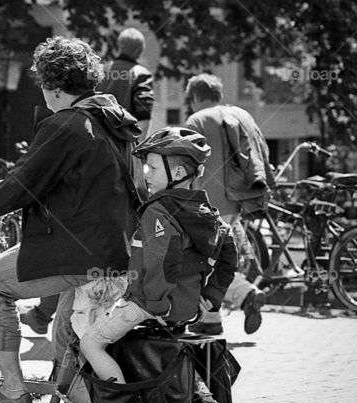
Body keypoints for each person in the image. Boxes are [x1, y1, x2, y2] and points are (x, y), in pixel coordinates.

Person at [0, 35, 141, 403]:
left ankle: (13, 390)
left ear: (52, 85)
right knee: (67, 335)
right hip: (115, 252)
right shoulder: (114, 121)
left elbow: (18, 186)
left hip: (79, 251)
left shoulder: (66, 125)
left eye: (42, 85)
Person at [20, 27, 156, 338]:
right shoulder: (140, 74)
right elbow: (142, 117)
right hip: (117, 155)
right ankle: (63, 333)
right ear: (139, 50)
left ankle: (46, 317)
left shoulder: (103, 72)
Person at [80, 127, 238, 383]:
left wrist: (156, 304)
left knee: (91, 344)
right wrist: (212, 296)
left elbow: (164, 259)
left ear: (177, 173)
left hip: (149, 306)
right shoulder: (209, 213)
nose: (146, 174)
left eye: (152, 168)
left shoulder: (159, 210)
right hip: (185, 308)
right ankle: (204, 400)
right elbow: (229, 258)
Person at [184, 73, 269, 335]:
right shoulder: (243, 115)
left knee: (203, 259)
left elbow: (188, 163)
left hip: (209, 201)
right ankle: (210, 320)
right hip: (240, 200)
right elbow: (261, 152)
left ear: (196, 97)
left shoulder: (197, 120)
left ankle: (246, 295)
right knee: (214, 257)